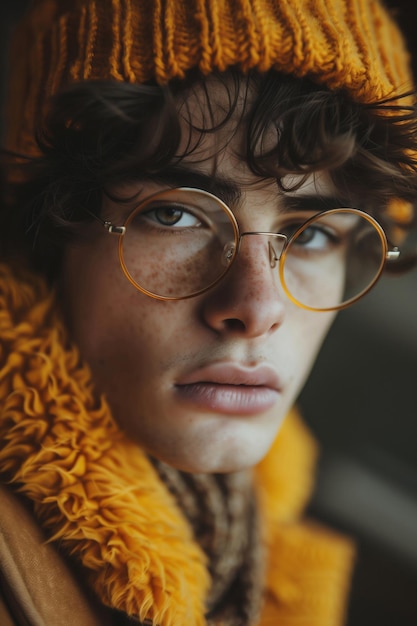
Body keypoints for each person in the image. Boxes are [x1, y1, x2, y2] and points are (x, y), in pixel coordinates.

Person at [0, 1, 416, 625]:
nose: (257, 308)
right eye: (175, 215)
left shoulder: (254, 541)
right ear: (52, 235)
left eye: (311, 236)